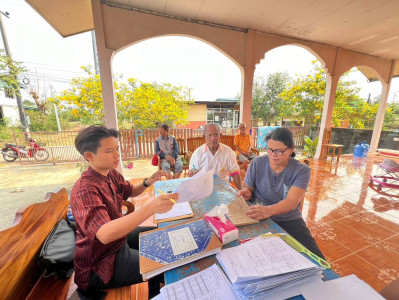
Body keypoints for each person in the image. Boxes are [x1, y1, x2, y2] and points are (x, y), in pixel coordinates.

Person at [70, 125, 178, 298]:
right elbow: (104, 234)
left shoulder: (109, 173)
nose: (117, 155)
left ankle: (155, 289)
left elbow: (129, 191)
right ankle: (159, 291)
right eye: (109, 151)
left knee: (164, 235)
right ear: (89, 156)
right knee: (166, 261)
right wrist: (151, 208)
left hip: (119, 241)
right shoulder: (85, 190)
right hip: (101, 264)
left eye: (117, 149)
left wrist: (149, 181)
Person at [238, 127, 325, 259]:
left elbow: (292, 202)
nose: (273, 154)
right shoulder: (257, 163)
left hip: (288, 219)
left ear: (291, 149)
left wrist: (268, 210)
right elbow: (248, 188)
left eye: (279, 151)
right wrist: (246, 192)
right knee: (250, 254)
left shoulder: (301, 170)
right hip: (259, 215)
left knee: (315, 258)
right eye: (270, 149)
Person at [188, 123, 242, 190]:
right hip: (203, 189)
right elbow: (192, 174)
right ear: (204, 137)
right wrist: (192, 173)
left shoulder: (228, 152)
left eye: (216, 135)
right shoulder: (197, 154)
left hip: (222, 189)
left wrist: (241, 190)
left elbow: (235, 173)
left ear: (220, 136)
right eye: (210, 135)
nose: (213, 138)